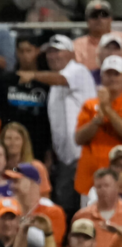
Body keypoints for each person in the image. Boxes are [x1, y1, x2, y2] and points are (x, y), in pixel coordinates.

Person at [46, 33, 97, 215]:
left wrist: (32, 75)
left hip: (81, 154)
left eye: (57, 52)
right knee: (65, 204)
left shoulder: (78, 71)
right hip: (64, 157)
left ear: (70, 53)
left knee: (77, 207)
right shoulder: (54, 83)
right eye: (49, 53)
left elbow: (62, 80)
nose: (52, 56)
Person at [0, 36, 52, 164]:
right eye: (21, 51)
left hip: (38, 145)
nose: (25, 55)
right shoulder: (6, 80)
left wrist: (49, 152)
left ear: (37, 51)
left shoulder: (46, 82)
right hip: (8, 144)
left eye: (29, 51)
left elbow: (50, 120)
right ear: (16, 53)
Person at [76, 56, 122, 203]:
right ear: (101, 76)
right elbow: (78, 138)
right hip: (90, 179)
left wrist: (107, 109)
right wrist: (97, 120)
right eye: (108, 74)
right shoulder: (90, 105)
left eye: (116, 74)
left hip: (119, 181)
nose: (112, 78)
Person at [74, 167, 122, 247]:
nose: (103, 190)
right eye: (99, 186)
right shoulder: (82, 216)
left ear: (117, 186)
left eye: (106, 185)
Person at [75, 0, 115, 71]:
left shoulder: (120, 38)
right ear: (87, 20)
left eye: (104, 15)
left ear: (111, 19)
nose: (99, 19)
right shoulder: (77, 45)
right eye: (94, 15)